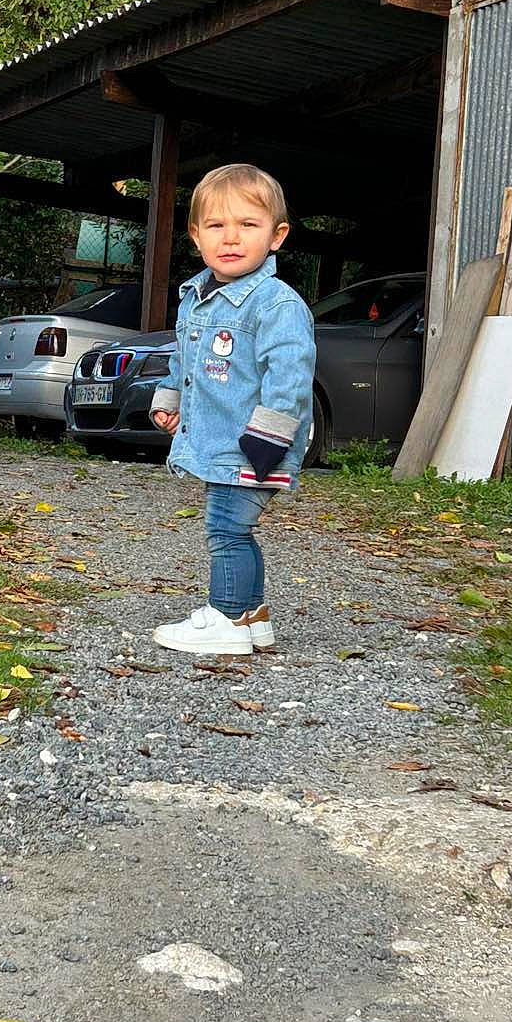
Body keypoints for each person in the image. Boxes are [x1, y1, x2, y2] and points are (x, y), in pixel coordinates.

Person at [149, 163, 315, 656]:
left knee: (226, 529)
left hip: (253, 446)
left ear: (276, 235)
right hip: (218, 440)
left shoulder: (275, 305)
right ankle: (252, 616)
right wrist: (171, 399)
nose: (231, 237)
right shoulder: (197, 299)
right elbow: (184, 358)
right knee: (234, 528)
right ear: (196, 235)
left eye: (248, 225)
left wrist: (267, 439)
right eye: (217, 226)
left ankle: (226, 617)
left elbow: (291, 377)